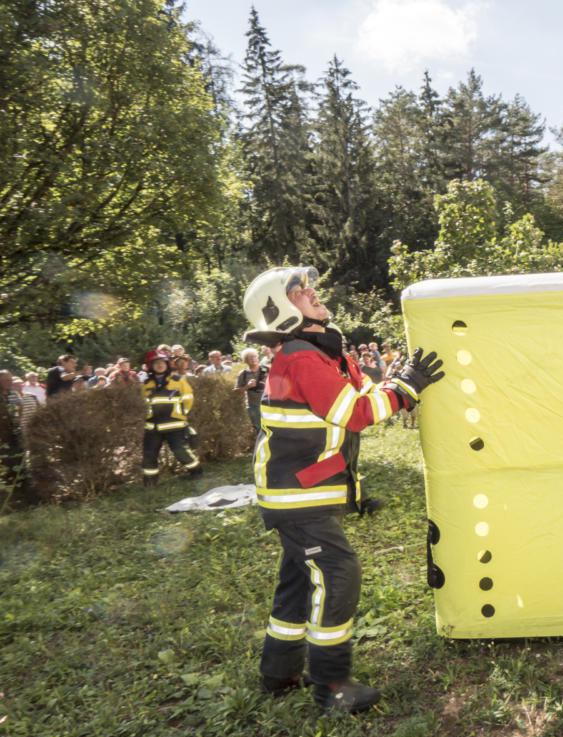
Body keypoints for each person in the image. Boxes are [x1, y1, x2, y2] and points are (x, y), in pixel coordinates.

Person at [242, 265, 443, 714]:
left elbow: (367, 393)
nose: (312, 292)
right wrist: (408, 387)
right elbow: (356, 413)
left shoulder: (323, 353)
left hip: (301, 490)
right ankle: (331, 686)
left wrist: (399, 383)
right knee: (338, 573)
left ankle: (278, 672)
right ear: (280, 312)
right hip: (297, 496)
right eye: (299, 291)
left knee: (298, 580)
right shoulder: (300, 357)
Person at [141, 349, 202, 486]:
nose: (160, 365)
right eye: (156, 363)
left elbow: (188, 399)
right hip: (152, 427)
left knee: (181, 451)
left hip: (174, 424)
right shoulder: (146, 384)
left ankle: (197, 472)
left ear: (167, 364)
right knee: (149, 454)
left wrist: (180, 414)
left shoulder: (178, 380)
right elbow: (142, 404)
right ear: (150, 366)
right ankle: (150, 481)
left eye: (162, 362)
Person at [235, 347, 268, 433]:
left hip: (268, 404)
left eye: (254, 356)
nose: (253, 359)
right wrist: (247, 386)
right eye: (250, 358)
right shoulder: (243, 374)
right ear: (245, 360)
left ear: (258, 357)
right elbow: (236, 391)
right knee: (259, 429)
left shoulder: (266, 369)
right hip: (253, 406)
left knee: (271, 427)